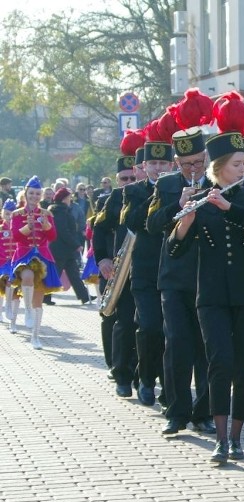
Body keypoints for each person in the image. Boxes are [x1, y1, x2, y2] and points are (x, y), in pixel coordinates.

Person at [168, 123, 244, 464]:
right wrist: (185, 217)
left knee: (243, 365)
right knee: (219, 363)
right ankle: (220, 438)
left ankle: (238, 437)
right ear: (218, 168)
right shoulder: (199, 198)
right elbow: (175, 250)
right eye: (237, 165)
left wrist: (228, 208)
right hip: (211, 294)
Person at [147, 125, 216, 436]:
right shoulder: (166, 186)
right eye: (187, 163)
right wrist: (177, 205)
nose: (194, 168)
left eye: (198, 162)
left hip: (208, 276)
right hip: (174, 277)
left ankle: (203, 412)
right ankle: (176, 412)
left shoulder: (218, 183)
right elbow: (152, 224)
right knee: (176, 344)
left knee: (205, 348)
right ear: (176, 162)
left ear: (206, 158)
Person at [123, 134, 173, 407]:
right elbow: (131, 222)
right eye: (153, 162)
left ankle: (168, 385)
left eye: (163, 163)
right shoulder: (133, 191)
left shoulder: (180, 188)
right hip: (144, 270)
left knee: (171, 331)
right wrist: (156, 195)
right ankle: (145, 378)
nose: (158, 168)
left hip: (174, 270)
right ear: (144, 166)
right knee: (150, 326)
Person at [93, 154, 139, 397]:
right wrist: (102, 258)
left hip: (144, 269)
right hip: (116, 268)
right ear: (117, 179)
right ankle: (118, 367)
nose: (129, 181)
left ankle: (139, 371)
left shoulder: (149, 194)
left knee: (142, 324)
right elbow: (98, 230)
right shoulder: (111, 199)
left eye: (133, 176)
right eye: (124, 178)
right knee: (116, 319)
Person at [10, 177, 62, 349]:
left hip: (43, 255)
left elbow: (53, 237)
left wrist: (47, 226)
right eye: (31, 193)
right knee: (27, 275)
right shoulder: (17, 214)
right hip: (23, 254)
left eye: (37, 193)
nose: (34, 196)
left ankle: (35, 337)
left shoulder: (47, 214)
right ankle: (27, 311)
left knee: (39, 299)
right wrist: (28, 227)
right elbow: (16, 237)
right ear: (26, 194)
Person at [47, 188, 91, 304]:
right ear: (64, 199)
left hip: (66, 249)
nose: (70, 199)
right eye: (68, 197)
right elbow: (63, 231)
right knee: (55, 273)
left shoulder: (63, 210)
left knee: (74, 273)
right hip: (60, 249)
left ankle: (84, 296)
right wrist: (76, 244)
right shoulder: (59, 211)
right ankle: (45, 296)